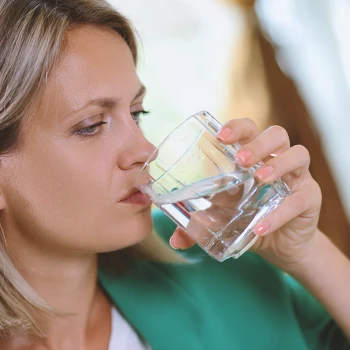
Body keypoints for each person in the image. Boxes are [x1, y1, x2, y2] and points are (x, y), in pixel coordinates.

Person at [0, 1, 349, 349]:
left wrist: (307, 254)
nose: (144, 149)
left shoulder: (205, 260)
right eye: (91, 126)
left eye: (137, 113)